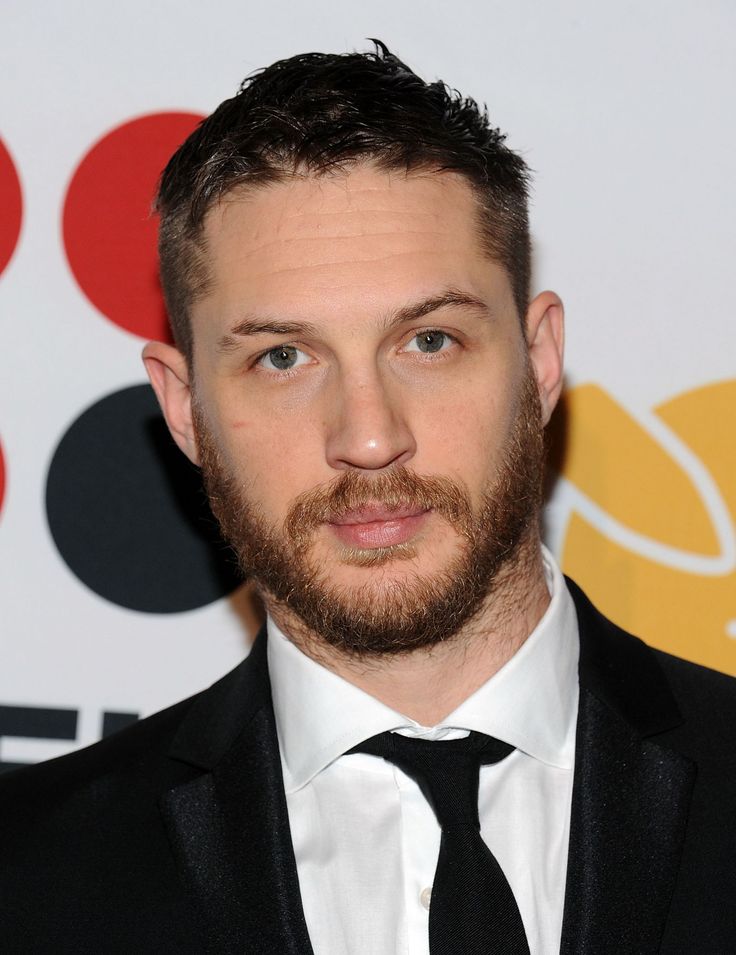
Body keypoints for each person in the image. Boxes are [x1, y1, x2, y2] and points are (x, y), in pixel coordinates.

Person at [1, 42, 734, 955]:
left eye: (428, 341)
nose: (370, 436)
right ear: (185, 410)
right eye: (283, 357)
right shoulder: (28, 874)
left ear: (540, 361)